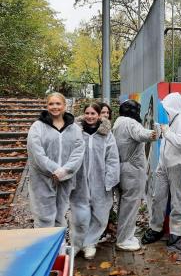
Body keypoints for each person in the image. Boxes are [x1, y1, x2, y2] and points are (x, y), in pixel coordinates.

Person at [141, 92, 181, 246]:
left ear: (173, 106)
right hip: (164, 164)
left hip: (178, 164)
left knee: (178, 199)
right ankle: (155, 228)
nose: (165, 109)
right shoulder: (174, 119)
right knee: (158, 197)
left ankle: (176, 231)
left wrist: (167, 132)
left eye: (167, 106)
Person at [27, 92, 85, 228]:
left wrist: (65, 170)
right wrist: (54, 170)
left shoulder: (74, 128)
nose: (54, 107)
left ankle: (59, 247)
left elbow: (78, 151)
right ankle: (44, 248)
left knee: (60, 215)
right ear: (46, 106)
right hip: (43, 179)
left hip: (66, 178)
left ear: (64, 106)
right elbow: (36, 152)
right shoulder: (37, 127)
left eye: (58, 103)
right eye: (51, 104)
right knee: (44, 218)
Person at [70, 103, 120, 259]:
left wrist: (110, 179)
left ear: (99, 115)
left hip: (100, 181)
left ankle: (90, 243)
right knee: (79, 215)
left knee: (100, 214)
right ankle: (77, 244)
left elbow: (112, 159)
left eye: (93, 113)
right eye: (87, 113)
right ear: (83, 114)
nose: (90, 116)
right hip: (79, 181)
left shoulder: (107, 135)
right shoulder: (75, 133)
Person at [112, 99, 159, 251]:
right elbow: (141, 134)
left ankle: (124, 235)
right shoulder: (130, 123)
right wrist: (153, 133)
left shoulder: (118, 122)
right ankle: (124, 239)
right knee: (130, 206)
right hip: (132, 171)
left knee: (124, 205)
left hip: (122, 168)